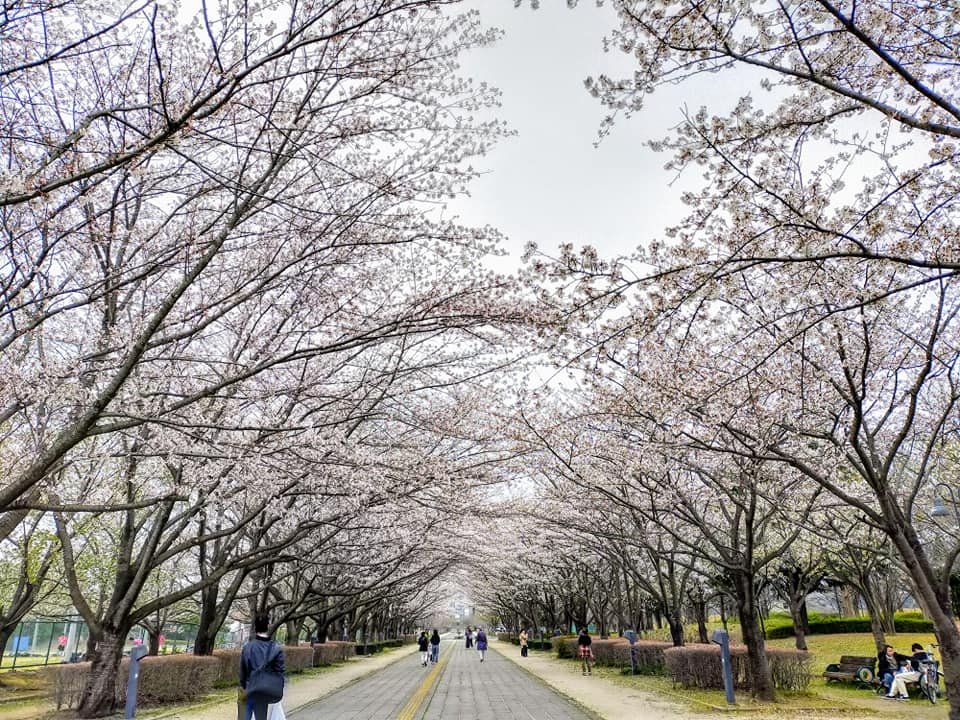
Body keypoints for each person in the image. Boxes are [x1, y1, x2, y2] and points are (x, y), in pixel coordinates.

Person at [240, 615, 286, 720]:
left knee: (243, 717)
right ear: (268, 626)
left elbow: (243, 671)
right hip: (263, 690)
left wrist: (243, 686)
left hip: (248, 687)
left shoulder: (248, 647)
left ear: (255, 627)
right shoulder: (276, 648)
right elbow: (280, 672)